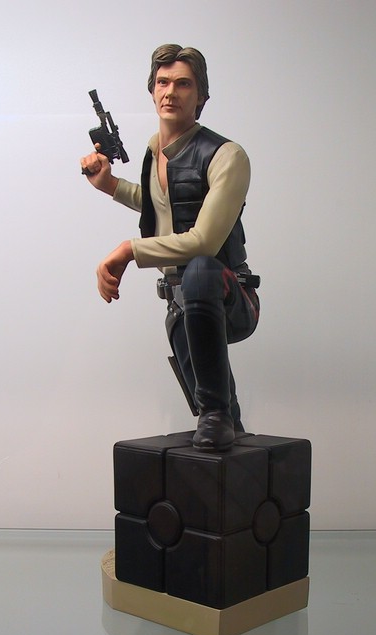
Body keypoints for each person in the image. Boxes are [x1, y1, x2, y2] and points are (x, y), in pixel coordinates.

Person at [80, 44, 259, 452]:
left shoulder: (226, 155)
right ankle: (227, 434)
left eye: (183, 84)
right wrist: (110, 185)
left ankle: (217, 417)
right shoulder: (153, 151)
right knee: (220, 419)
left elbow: (204, 241)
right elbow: (162, 205)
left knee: (201, 267)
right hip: (181, 304)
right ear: (152, 91)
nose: (171, 92)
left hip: (228, 294)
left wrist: (130, 250)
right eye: (162, 83)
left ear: (201, 96)